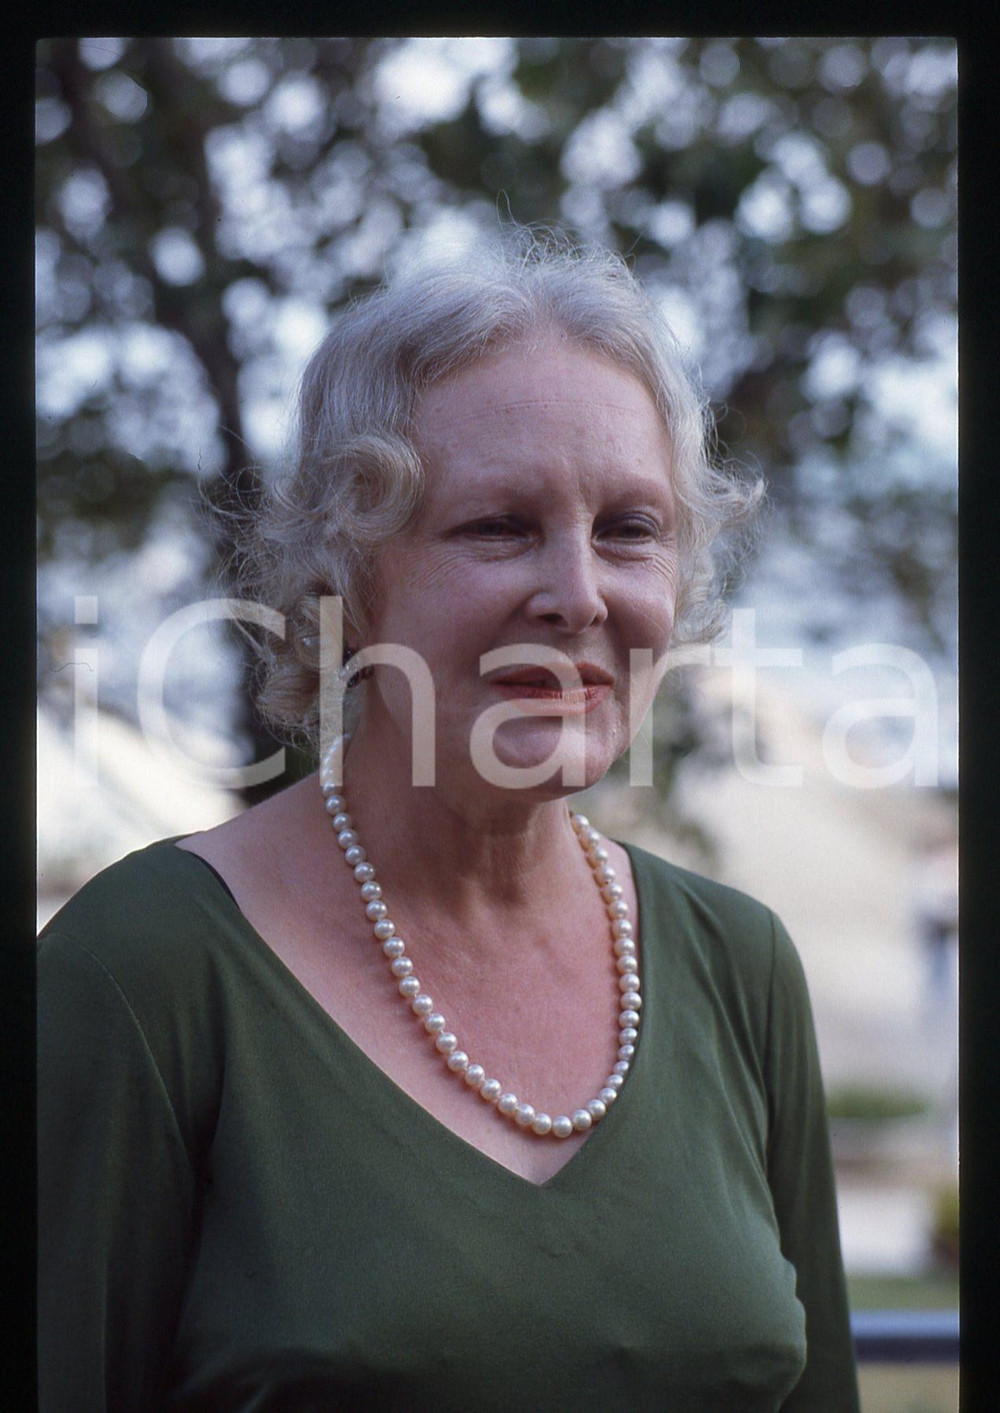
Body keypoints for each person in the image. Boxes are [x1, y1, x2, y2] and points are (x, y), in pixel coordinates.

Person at [38, 233, 860, 1410]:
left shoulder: (738, 965)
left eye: (629, 528)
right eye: (498, 526)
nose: (577, 595)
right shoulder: (145, 969)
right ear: (347, 574)